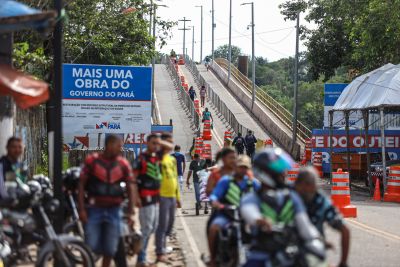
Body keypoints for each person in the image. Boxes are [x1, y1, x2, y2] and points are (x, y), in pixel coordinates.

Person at [240, 148, 326, 267]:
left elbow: (304, 224)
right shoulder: (253, 197)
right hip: (261, 253)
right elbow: (249, 212)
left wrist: (316, 239)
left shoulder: (291, 197)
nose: (283, 175)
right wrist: (260, 221)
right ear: (265, 172)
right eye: (279, 172)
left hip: (289, 252)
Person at [78, 134, 136, 267]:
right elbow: (81, 185)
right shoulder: (92, 161)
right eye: (118, 145)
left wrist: (131, 212)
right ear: (109, 144)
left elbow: (130, 187)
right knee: (89, 246)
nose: (121, 149)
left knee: (110, 248)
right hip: (94, 209)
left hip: (114, 211)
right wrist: (81, 209)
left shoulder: (123, 164)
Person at [207, 155, 260, 267]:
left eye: (245, 167)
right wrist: (215, 202)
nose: (243, 169)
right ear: (235, 167)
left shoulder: (253, 183)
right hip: (228, 214)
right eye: (240, 167)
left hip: (248, 217)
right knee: (214, 227)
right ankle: (212, 259)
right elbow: (215, 195)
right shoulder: (226, 181)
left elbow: (264, 197)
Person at [295, 167, 350, 267]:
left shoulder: (321, 202)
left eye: (311, 185)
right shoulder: (289, 197)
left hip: (311, 253)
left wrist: (343, 263)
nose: (308, 188)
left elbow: (345, 230)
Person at [133, 133, 162, 267]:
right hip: (145, 197)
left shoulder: (156, 158)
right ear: (147, 143)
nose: (156, 146)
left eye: (158, 143)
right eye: (153, 143)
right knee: (147, 228)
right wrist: (136, 197)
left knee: (153, 228)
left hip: (156, 198)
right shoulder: (141, 159)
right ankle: (141, 258)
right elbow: (132, 180)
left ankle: (141, 252)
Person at [156, 132, 181, 263]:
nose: (171, 145)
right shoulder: (157, 159)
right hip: (162, 196)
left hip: (172, 196)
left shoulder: (172, 159)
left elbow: (175, 178)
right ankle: (160, 250)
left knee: (170, 223)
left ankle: (164, 246)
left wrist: (178, 197)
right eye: (169, 142)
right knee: (162, 224)